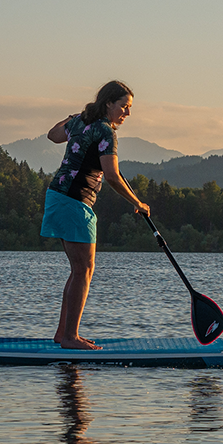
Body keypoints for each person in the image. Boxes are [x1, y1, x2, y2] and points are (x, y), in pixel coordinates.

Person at [40, 80, 150, 350]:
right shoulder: (105, 131)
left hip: (58, 196)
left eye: (129, 108)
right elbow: (112, 176)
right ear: (108, 103)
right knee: (84, 271)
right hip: (75, 202)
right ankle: (70, 337)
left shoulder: (81, 122)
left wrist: (74, 117)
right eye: (124, 107)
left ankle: (63, 334)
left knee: (78, 271)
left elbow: (53, 134)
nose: (127, 113)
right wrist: (137, 202)